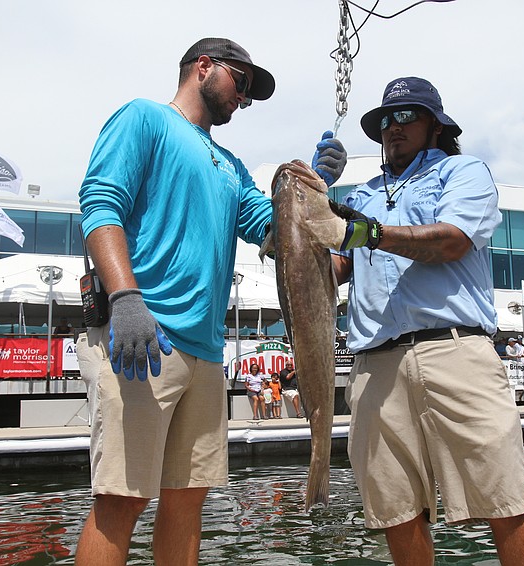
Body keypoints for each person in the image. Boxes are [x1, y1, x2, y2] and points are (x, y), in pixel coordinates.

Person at [74, 37, 346, 565]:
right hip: (144, 339)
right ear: (204, 68)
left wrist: (315, 190)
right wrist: (126, 296)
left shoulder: (231, 166)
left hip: (206, 355)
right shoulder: (144, 119)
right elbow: (100, 204)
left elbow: (274, 229)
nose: (242, 99)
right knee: (121, 499)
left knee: (188, 502)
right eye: (240, 83)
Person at [312, 77, 524, 565]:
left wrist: (368, 231)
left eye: (406, 117)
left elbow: (451, 241)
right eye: (384, 122)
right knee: (396, 508)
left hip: (454, 351)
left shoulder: (463, 172)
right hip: (374, 364)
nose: (392, 129)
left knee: (504, 500)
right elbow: (332, 272)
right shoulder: (362, 195)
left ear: (436, 126)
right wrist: (317, 197)